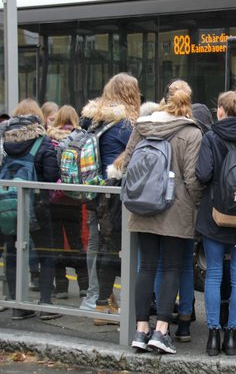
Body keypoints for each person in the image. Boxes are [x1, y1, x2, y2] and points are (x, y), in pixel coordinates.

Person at [124, 79, 203, 355]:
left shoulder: (143, 125)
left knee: (146, 267)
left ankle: (140, 330)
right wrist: (196, 204)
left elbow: (128, 161)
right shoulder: (192, 132)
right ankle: (161, 331)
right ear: (188, 101)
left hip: (142, 205)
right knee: (171, 267)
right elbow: (192, 178)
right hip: (176, 207)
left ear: (164, 98)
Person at [195, 89, 236, 357]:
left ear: (222, 111)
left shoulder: (211, 137)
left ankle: (213, 337)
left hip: (216, 216)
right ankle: (232, 337)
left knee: (213, 275)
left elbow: (203, 174)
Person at [79, 72, 140, 317]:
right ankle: (106, 302)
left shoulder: (93, 119)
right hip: (116, 195)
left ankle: (96, 298)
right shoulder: (125, 125)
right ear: (129, 93)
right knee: (117, 248)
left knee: (97, 243)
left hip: (95, 191)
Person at [0, 99, 62, 320]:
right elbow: (52, 174)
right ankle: (45, 304)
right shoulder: (42, 141)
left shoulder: (5, 141)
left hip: (8, 205)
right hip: (37, 206)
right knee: (47, 253)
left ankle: (18, 305)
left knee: (12, 253)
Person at [47, 105, 89, 299]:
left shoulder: (51, 140)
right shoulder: (82, 139)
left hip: (54, 199)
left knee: (55, 244)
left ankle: (62, 286)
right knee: (76, 243)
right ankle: (84, 285)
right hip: (74, 198)